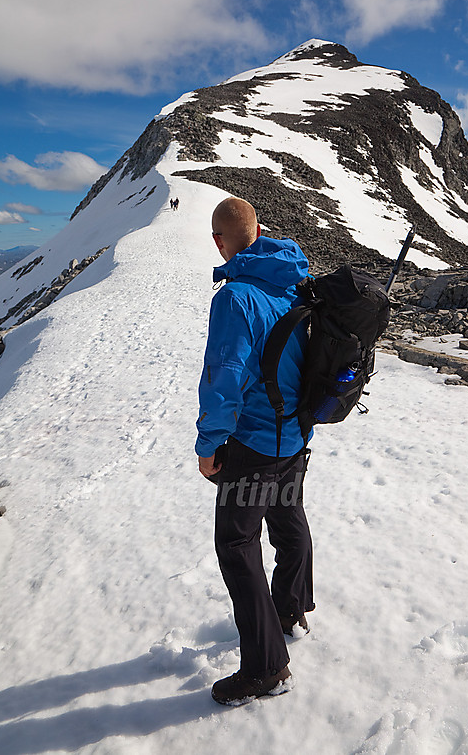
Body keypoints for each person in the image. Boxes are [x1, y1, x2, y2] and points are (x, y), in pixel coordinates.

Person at [196, 197, 315, 706]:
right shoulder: (291, 283)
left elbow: (224, 378)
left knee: (236, 545)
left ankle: (267, 667)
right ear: (261, 230)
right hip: (295, 438)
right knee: (287, 518)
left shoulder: (236, 297)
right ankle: (290, 610)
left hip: (254, 444)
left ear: (219, 241)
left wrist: (209, 445)